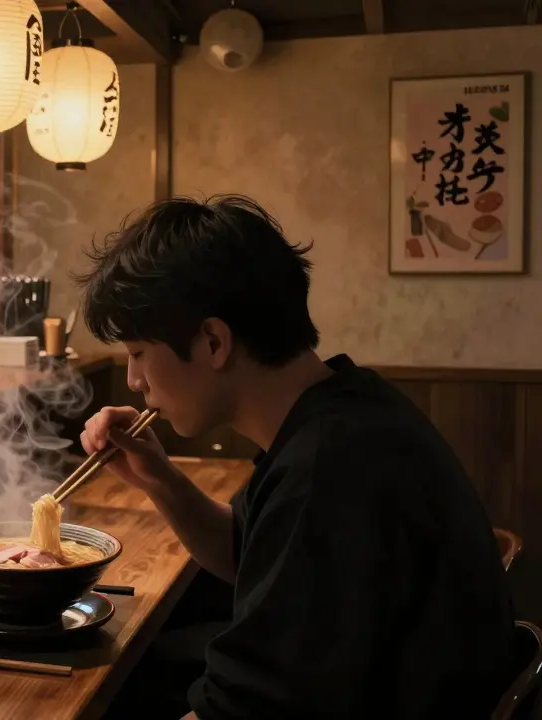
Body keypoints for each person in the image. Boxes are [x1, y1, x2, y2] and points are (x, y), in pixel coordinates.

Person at [77, 196, 514, 719]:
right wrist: (161, 479)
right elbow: (246, 555)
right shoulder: (344, 409)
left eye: (139, 353)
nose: (133, 379)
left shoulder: (331, 469)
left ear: (214, 342)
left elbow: (244, 710)